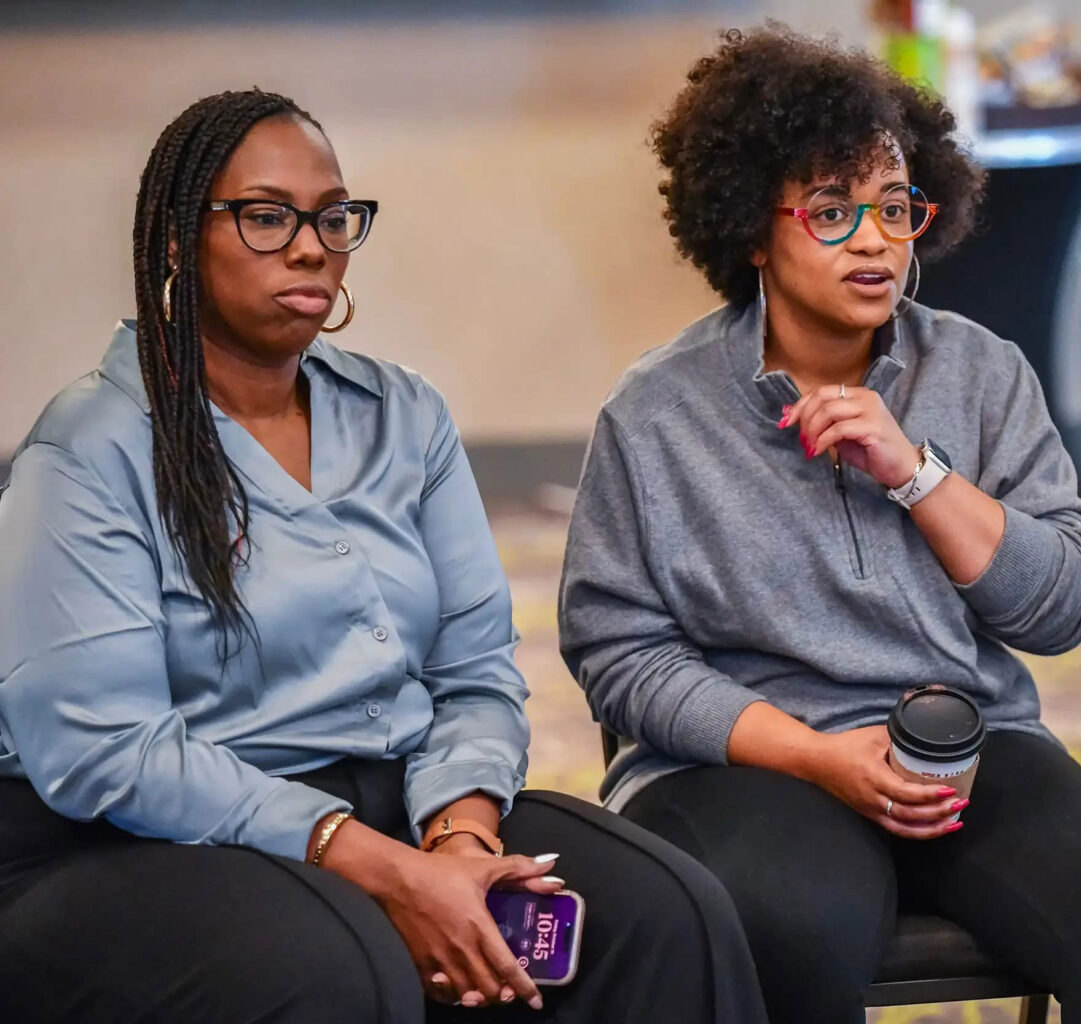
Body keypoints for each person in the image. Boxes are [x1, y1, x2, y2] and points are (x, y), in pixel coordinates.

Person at [0, 88, 767, 1024]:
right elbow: (104, 752)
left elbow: (475, 673)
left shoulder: (402, 415)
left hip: (397, 800)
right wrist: (374, 864)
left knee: (665, 913)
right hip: (127, 844)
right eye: (266, 217)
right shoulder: (88, 450)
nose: (312, 245)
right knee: (344, 971)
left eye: (332, 217)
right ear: (172, 240)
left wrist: (459, 838)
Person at [558, 25, 1081, 1024]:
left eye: (892, 208)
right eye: (833, 212)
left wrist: (916, 474)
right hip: (744, 759)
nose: (874, 239)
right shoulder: (657, 412)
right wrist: (817, 754)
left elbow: (1062, 609)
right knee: (790, 928)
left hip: (963, 741)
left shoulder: (982, 372)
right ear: (753, 228)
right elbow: (619, 653)